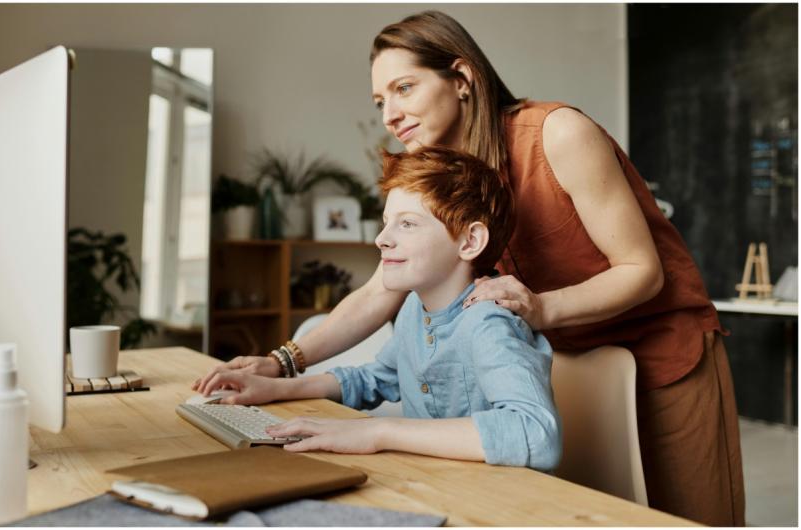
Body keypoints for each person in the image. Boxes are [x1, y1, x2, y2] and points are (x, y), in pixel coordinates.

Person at [196, 10, 744, 526]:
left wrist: (540, 306)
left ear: (461, 77)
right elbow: (378, 291)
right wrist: (281, 362)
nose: (389, 114)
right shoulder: (439, 171)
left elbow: (641, 270)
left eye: (404, 88)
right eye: (379, 100)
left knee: (689, 519)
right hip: (567, 359)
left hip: (664, 354)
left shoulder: (557, 133)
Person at [197, 146, 562, 470]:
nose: (382, 239)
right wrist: (276, 387)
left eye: (407, 224)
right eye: (387, 222)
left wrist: (379, 431)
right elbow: (376, 379)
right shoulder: (413, 311)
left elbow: (535, 432)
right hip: (431, 483)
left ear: (470, 241)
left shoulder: (489, 322)